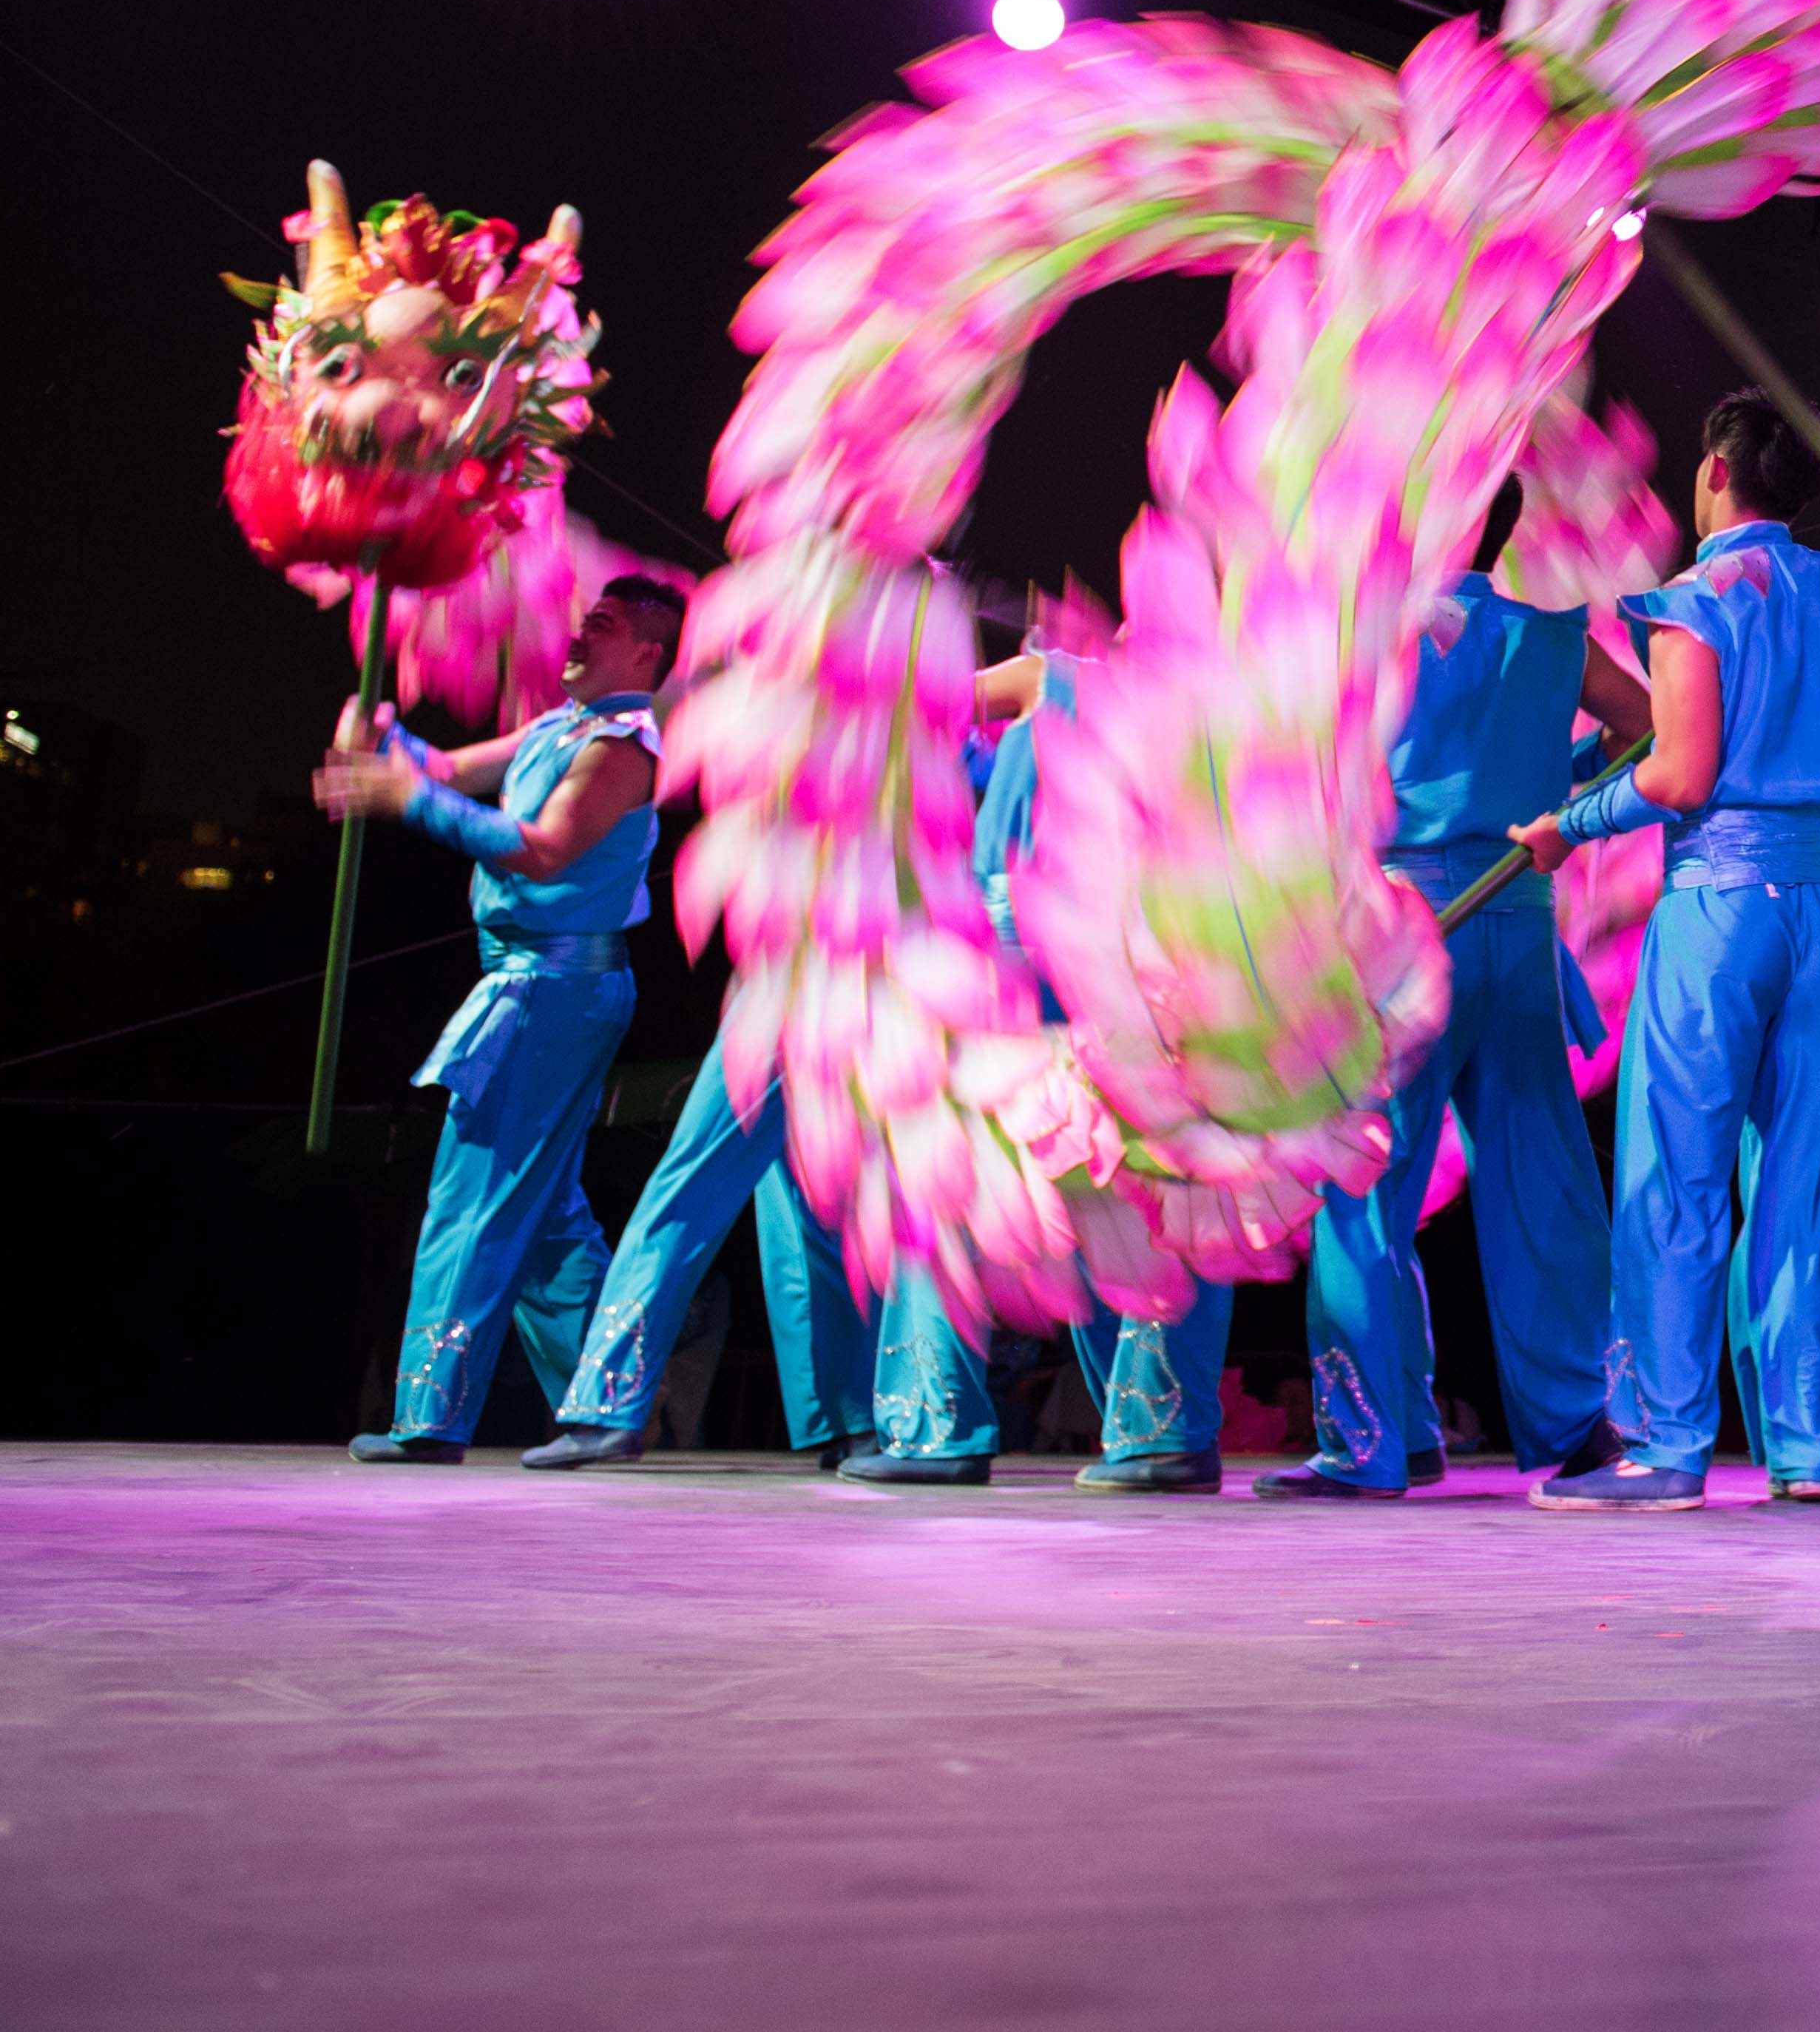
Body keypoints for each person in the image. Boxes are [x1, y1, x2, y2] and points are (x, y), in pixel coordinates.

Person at [1532, 394, 1820, 1512]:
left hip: (1722, 901)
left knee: (1679, 1170)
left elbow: (1679, 775)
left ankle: (1668, 1444)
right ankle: (1805, 1452)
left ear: (1714, 474)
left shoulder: (1697, 598)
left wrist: (1570, 825)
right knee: (1813, 1175)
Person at [1257, 493, 1622, 1503]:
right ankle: (1577, 1422)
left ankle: (1372, 1441)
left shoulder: (1366, 635)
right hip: (1515, 918)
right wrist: (1563, 792)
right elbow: (1653, 728)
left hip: (1406, 926)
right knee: (1537, 1177)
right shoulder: (1551, 634)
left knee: (1362, 1185)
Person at [846, 646, 1238, 1491]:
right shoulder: (1225, 713)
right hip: (1116, 955)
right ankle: (1160, 1433)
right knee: (1126, 1180)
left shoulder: (1061, 672)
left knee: (965, 1173)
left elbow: (912, 709)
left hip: (1044, 953)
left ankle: (942, 1427)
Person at [317, 572, 684, 1461]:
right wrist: (379, 735)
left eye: (600, 625)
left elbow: (548, 851)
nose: (576, 634)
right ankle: (609, 1404)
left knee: (475, 1193)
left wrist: (406, 799)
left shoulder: (621, 745)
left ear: (646, 654)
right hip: (531, 983)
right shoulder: (557, 727)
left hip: (554, 987)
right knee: (546, 1214)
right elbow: (439, 770)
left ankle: (430, 1418)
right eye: (582, 619)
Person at [521, 1037, 875, 1472]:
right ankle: (859, 1422)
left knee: (682, 1198)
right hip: (845, 1005)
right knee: (808, 1211)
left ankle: (608, 1408)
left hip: (787, 997)